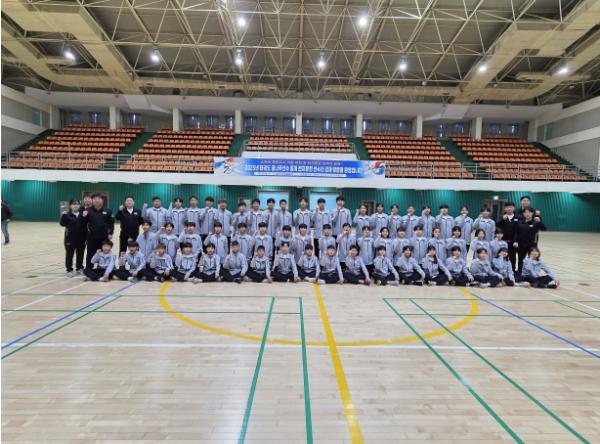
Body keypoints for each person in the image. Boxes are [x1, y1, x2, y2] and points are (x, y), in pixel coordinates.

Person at [83, 193, 114, 268]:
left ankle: (102, 268)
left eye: (99, 198)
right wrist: (83, 217)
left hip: (104, 237)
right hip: (91, 237)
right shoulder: (87, 211)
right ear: (92, 200)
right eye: (95, 199)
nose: (97, 200)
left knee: (104, 253)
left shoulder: (108, 210)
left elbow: (111, 223)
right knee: (90, 253)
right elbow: (83, 224)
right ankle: (89, 269)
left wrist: (110, 233)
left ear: (102, 200)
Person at [513, 208, 546, 274]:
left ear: (532, 213)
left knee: (532, 260)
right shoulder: (520, 222)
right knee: (521, 260)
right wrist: (515, 241)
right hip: (521, 244)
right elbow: (516, 232)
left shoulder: (535, 222)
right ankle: (520, 273)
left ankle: (532, 273)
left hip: (532, 245)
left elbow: (544, 229)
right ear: (523, 214)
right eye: (525, 212)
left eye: (529, 212)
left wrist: (540, 222)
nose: (527, 214)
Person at [60, 199, 87, 277]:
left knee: (80, 254)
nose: (76, 205)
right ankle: (69, 270)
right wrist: (63, 216)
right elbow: (62, 224)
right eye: (74, 204)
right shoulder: (67, 214)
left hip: (81, 238)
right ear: (70, 206)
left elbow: (85, 226)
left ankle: (79, 268)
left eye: (77, 204)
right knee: (69, 255)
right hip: (70, 239)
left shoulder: (83, 215)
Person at [496, 202, 519, 271]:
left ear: (514, 208)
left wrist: (516, 241)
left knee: (513, 257)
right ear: (505, 209)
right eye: (507, 207)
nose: (509, 208)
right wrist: (502, 220)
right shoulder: (501, 217)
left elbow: (518, 230)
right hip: (503, 241)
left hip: (513, 242)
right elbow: (496, 226)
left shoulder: (517, 217)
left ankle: (512, 270)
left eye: (511, 207)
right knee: (502, 256)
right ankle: (501, 270)